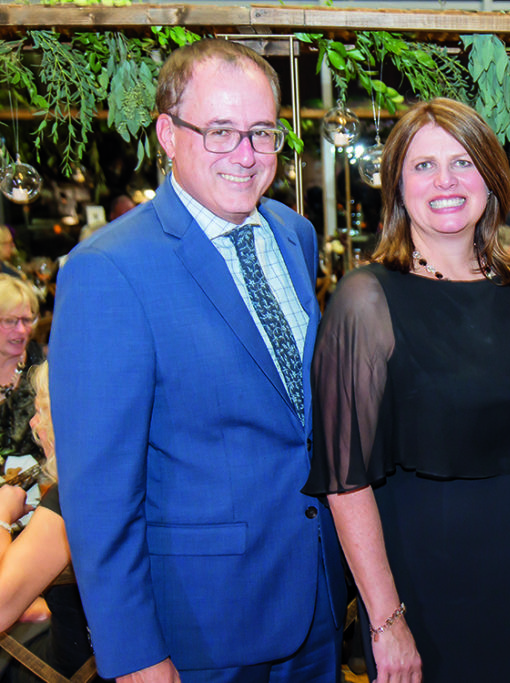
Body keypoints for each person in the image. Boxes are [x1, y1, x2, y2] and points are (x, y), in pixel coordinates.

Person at [48, 38, 345, 682]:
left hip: (318, 601)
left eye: (262, 132)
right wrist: (135, 655)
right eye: (219, 131)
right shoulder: (108, 270)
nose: (245, 154)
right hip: (201, 632)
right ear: (167, 134)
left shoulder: (294, 235)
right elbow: (99, 495)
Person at [303, 97, 510, 683]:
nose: (445, 182)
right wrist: (385, 621)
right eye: (423, 166)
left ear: (491, 177)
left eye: (463, 162)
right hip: (431, 597)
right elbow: (345, 482)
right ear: (398, 187)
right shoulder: (366, 299)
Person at [0, 362, 110, 683]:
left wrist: (3, 517)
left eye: (40, 412)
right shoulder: (116, 476)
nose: (33, 424)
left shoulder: (72, 497)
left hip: (67, 671)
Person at [0, 274, 45, 467]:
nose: (21, 330)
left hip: (32, 490)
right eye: (10, 321)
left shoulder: (42, 372)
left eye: (27, 320)